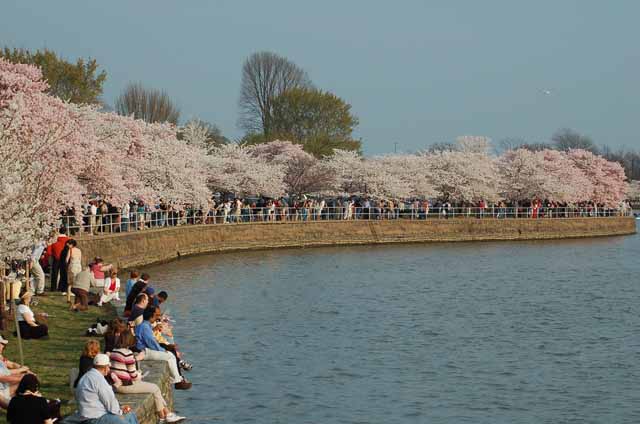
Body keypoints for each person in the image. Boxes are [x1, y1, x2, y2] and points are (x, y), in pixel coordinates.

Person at [109, 332, 185, 423]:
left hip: (116, 385)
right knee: (155, 388)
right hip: (125, 386)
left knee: (153, 389)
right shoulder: (127, 353)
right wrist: (139, 375)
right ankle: (163, 416)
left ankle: (167, 414)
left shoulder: (114, 351)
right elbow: (133, 374)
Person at [135, 307, 191, 390]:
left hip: (145, 350)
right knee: (170, 356)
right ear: (152, 315)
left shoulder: (144, 325)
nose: (158, 317)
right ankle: (177, 380)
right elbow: (151, 344)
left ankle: (177, 379)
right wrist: (162, 350)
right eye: (157, 315)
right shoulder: (145, 327)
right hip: (145, 351)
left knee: (170, 354)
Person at [75, 353, 139, 424]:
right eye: (109, 367)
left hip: (86, 415)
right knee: (125, 418)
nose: (109, 369)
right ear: (105, 367)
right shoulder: (99, 380)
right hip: (96, 418)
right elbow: (110, 403)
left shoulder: (86, 376)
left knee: (130, 414)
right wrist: (120, 411)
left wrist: (120, 408)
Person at [0, 336, 30, 409]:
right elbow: (3, 375)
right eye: (1, 344)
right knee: (25, 380)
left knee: (28, 380)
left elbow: (11, 364)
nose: (3, 346)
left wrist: (24, 369)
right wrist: (21, 371)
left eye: (3, 344)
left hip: (4, 386)